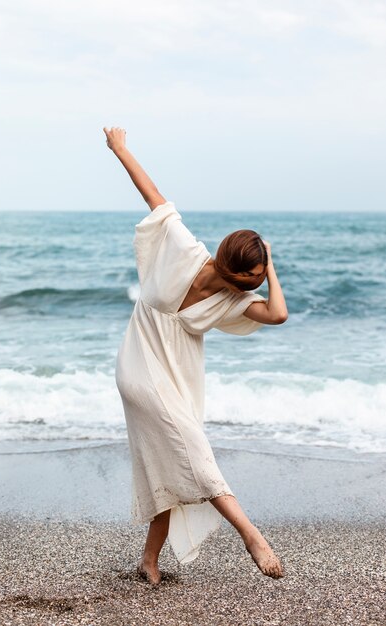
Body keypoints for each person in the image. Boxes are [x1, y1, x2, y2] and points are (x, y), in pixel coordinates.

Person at [104, 126, 288, 585]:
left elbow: (279, 315)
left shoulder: (233, 299)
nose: (247, 285)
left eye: (253, 279)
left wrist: (271, 263)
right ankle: (251, 535)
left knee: (166, 463)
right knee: (193, 451)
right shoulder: (186, 250)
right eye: (248, 276)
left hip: (176, 373)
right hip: (140, 362)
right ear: (228, 260)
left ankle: (149, 559)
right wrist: (121, 149)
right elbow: (154, 195)